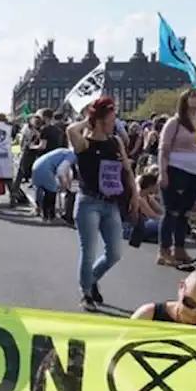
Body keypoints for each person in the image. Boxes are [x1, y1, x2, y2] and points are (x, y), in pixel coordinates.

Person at [68, 96, 134, 311]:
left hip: (111, 203)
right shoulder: (85, 143)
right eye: (111, 118)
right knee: (88, 250)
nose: (114, 123)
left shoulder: (115, 142)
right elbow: (71, 131)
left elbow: (127, 169)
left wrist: (135, 194)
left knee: (115, 253)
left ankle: (91, 278)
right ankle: (86, 292)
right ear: (99, 120)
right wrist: (88, 121)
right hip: (89, 203)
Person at [157, 88, 196, 266]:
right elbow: (163, 149)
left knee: (185, 213)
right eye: (194, 95)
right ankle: (164, 250)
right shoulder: (175, 122)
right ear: (185, 100)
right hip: (176, 169)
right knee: (172, 211)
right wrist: (163, 172)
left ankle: (179, 248)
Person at [30, 147, 77, 224]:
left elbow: (67, 171)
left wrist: (66, 184)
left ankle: (44, 215)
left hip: (36, 165)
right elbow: (61, 171)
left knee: (46, 190)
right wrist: (64, 184)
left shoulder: (64, 151)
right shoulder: (72, 155)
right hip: (45, 169)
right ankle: (51, 216)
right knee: (52, 191)